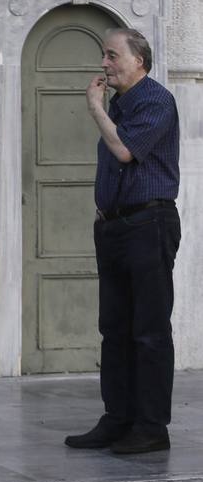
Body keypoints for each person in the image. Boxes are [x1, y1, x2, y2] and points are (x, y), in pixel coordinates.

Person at [66, 28, 181, 456]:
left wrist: (96, 109)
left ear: (139, 61)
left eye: (112, 55)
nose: (104, 63)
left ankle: (151, 427)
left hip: (148, 224)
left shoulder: (155, 100)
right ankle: (118, 419)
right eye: (104, 55)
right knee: (114, 329)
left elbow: (126, 151)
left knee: (149, 331)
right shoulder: (121, 104)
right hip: (114, 227)